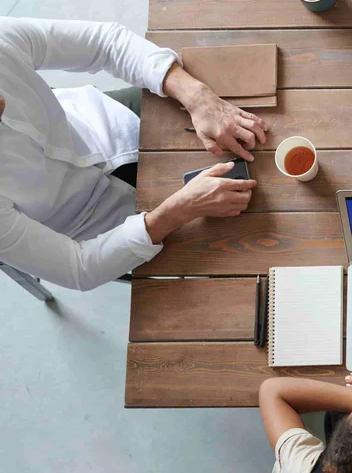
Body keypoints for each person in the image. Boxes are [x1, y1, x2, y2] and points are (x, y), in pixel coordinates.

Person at [0, 17, 265, 291]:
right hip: (101, 227)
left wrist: (197, 97)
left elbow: (105, 43)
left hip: (109, 121)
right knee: (233, 261)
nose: (3, 103)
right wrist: (179, 210)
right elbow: (76, 267)